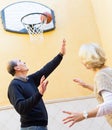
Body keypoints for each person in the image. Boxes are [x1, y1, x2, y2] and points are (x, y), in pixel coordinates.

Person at [7, 39, 66, 130]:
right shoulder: (14, 86)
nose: (24, 62)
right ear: (17, 68)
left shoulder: (30, 80)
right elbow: (21, 108)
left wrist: (60, 55)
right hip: (32, 127)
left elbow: (46, 69)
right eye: (20, 61)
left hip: (40, 126)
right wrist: (39, 93)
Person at [63, 42, 112, 127]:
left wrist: (83, 115)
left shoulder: (101, 75)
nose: (82, 62)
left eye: (82, 59)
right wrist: (86, 85)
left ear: (88, 59)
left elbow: (110, 104)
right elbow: (108, 90)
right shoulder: (108, 70)